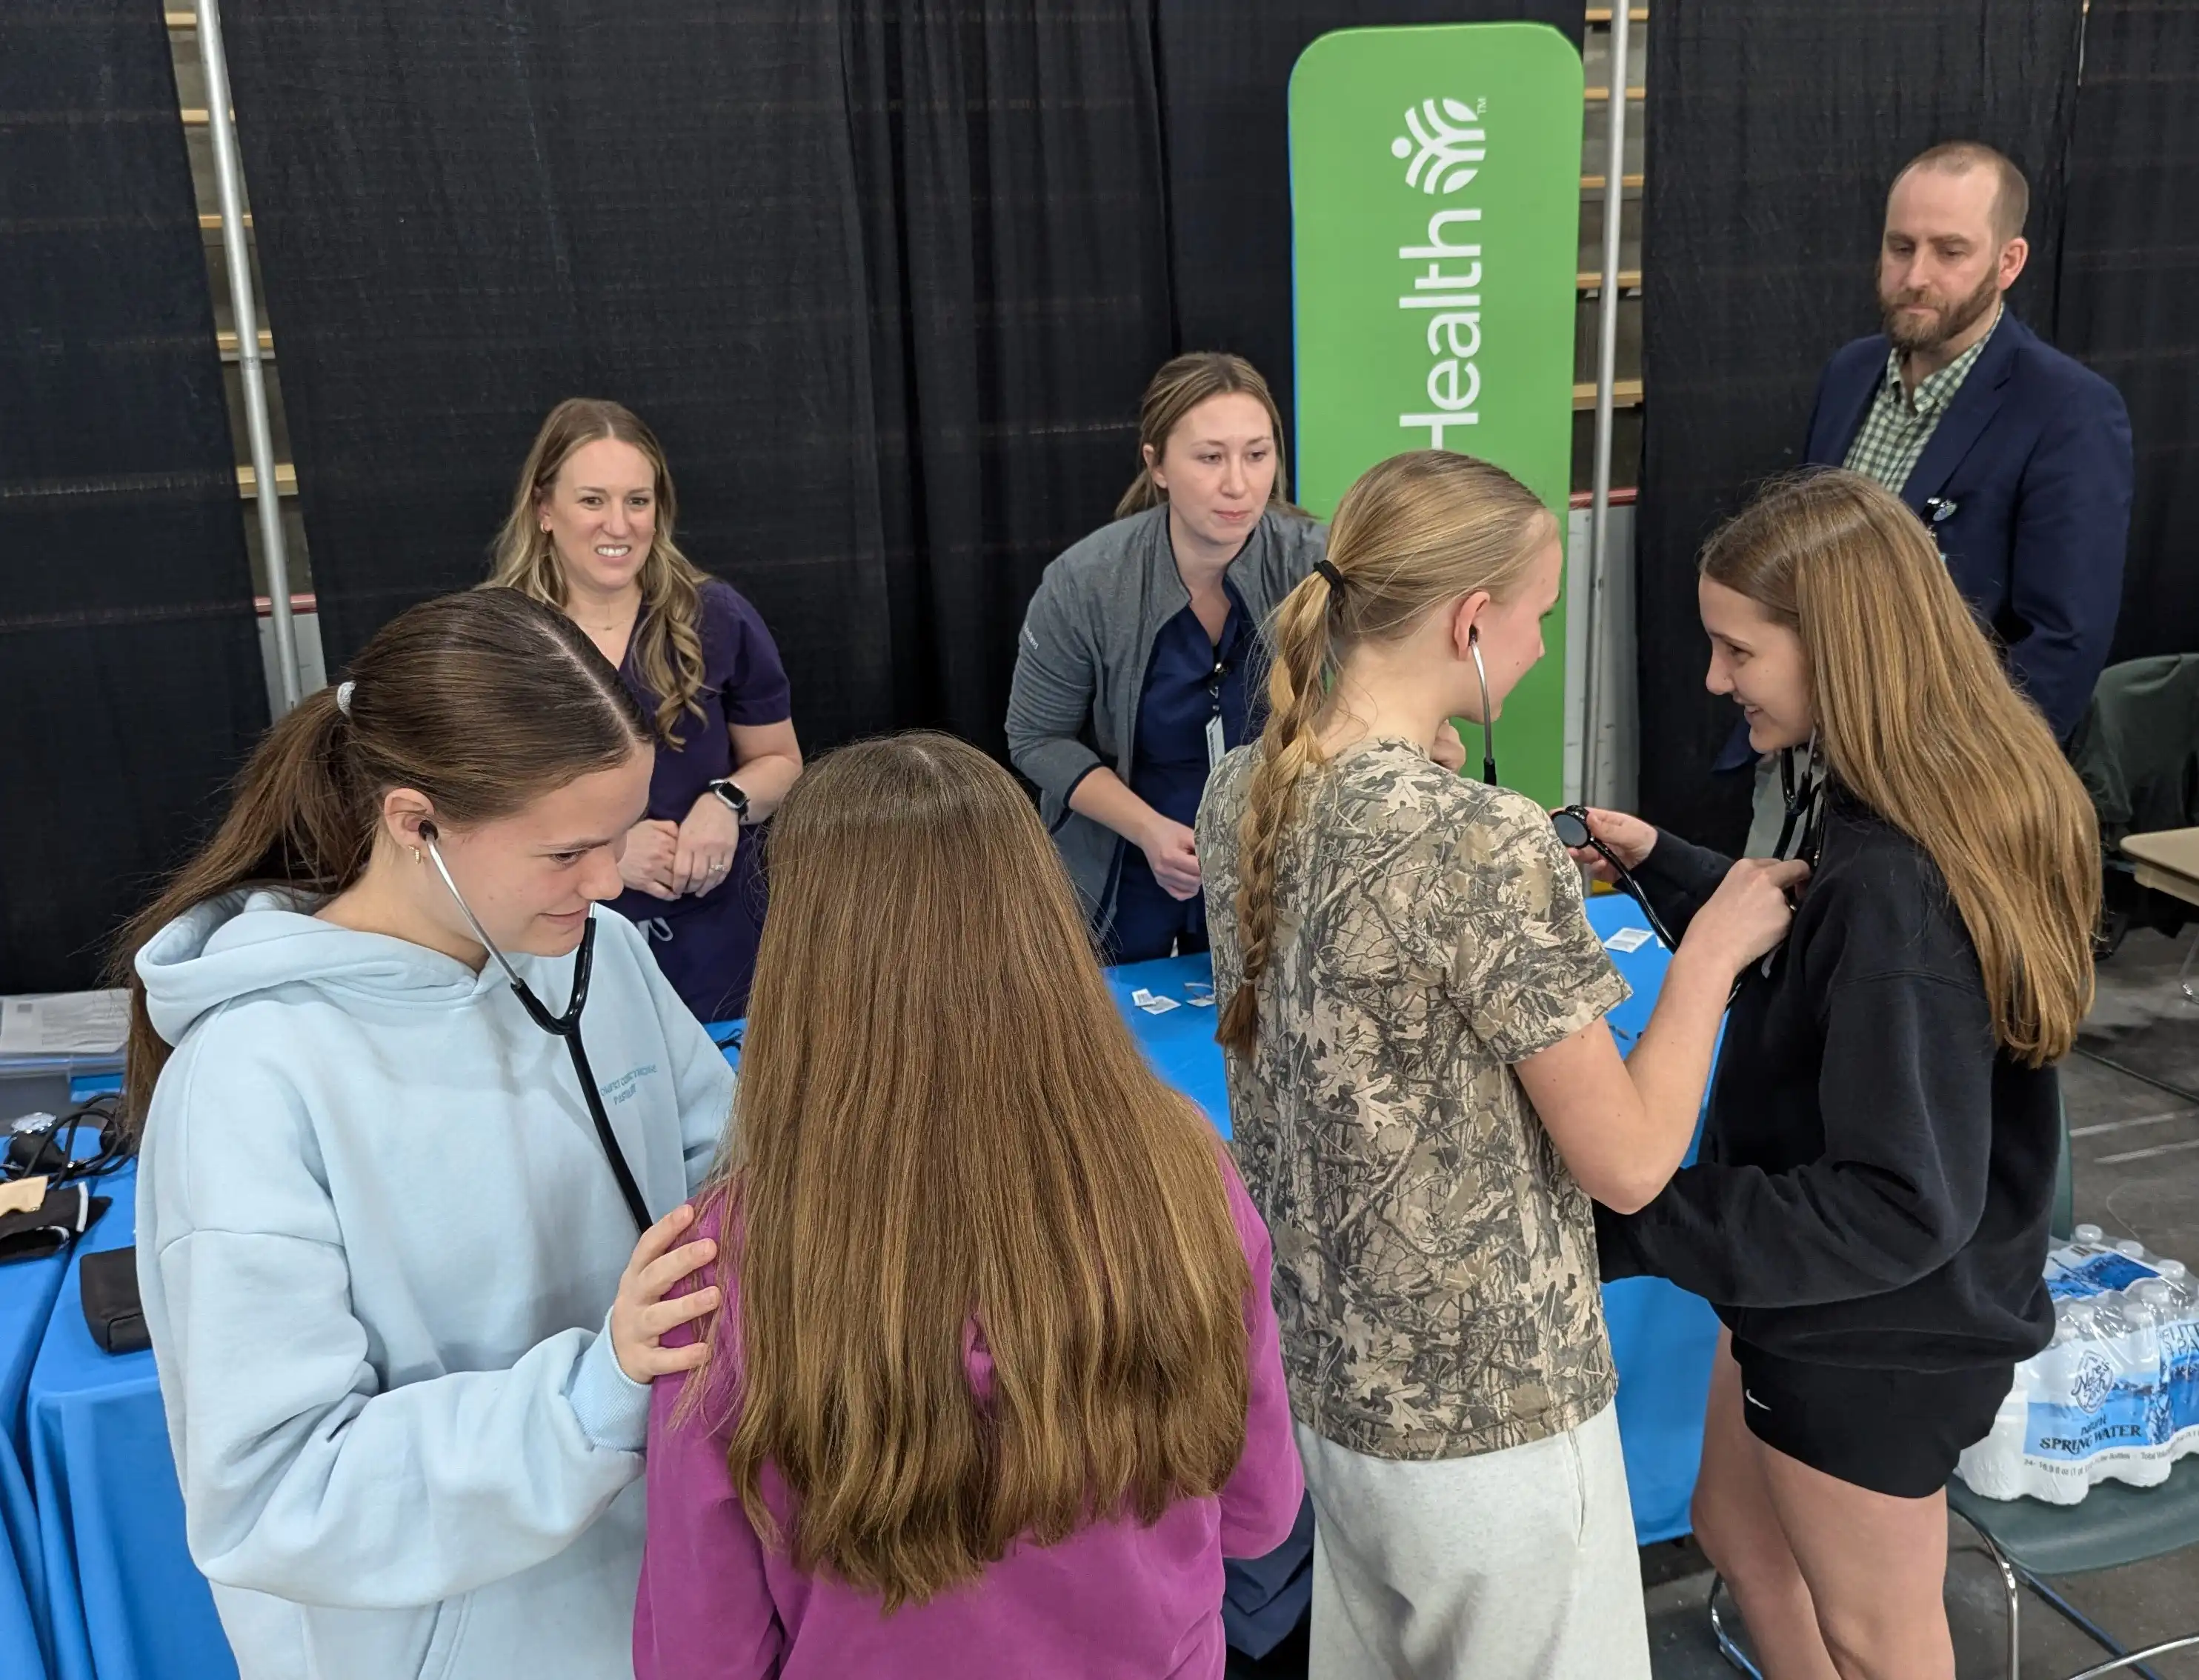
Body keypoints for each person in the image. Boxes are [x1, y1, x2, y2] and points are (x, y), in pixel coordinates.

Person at [1197, 450, 1803, 1680]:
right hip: (1494, 1426)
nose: (1537, 644)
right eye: (1533, 616)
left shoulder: (1240, 787)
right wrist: (1711, 957)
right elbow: (1629, 1161)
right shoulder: (1476, 838)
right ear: (1469, 621)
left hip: (1330, 1395)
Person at [120, 589, 734, 1680]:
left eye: (618, 838)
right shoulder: (253, 1082)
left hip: (670, 1610)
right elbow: (278, 1493)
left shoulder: (601, 959)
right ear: (415, 823)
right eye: (566, 854)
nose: (606, 885)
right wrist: (598, 1394)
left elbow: (719, 1169)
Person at [634, 733, 1303, 1678]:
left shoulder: (730, 1261)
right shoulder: (1184, 1169)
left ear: (802, 957)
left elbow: (702, 1652)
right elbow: (1256, 1512)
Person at [1586, 469, 2100, 1680]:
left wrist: (1633, 1206)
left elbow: (1893, 1202)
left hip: (1874, 1330)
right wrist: (1674, 867)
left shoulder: (1896, 883)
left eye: (1735, 649)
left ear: (1840, 647)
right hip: (1832, 1298)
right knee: (1736, 1532)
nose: (1714, 680)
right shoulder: (1933, 794)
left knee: (1879, 1638)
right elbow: (1832, 957)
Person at [1728, 140, 2132, 853]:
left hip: (1939, 790)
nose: (1916, 277)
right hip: (1801, 758)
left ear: (2008, 263)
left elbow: (2064, 641)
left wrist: (1965, 785)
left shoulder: (2067, 410)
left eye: (1950, 252)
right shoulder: (1850, 373)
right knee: (1769, 956)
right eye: (1900, 247)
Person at [1007, 353, 1327, 964]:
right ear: (1157, 465)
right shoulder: (1087, 582)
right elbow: (1035, 737)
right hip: (1126, 860)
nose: (1238, 484)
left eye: (1257, 455)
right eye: (1210, 457)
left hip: (1275, 857)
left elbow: (1382, 681)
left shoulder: (1315, 564)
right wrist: (1149, 831)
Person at [493, 396, 802, 1023]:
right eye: (593, 500)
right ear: (543, 508)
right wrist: (601, 852)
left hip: (721, 954)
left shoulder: (716, 617)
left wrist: (727, 805)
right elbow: (472, 814)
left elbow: (780, 761)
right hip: (561, 947)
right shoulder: (497, 637)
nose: (620, 524)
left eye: (638, 501)